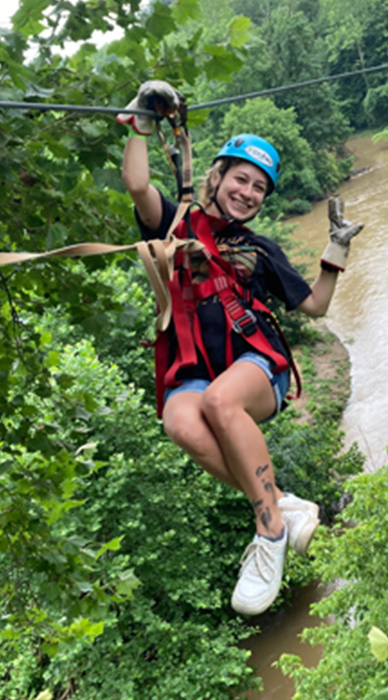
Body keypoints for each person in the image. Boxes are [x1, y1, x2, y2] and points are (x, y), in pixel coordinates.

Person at [117, 80, 363, 616]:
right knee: (179, 420)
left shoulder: (260, 250)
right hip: (192, 369)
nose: (248, 192)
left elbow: (314, 306)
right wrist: (142, 114)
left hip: (258, 369)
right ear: (219, 176)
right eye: (241, 179)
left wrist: (336, 248)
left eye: (259, 187)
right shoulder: (178, 223)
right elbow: (137, 182)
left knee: (220, 402)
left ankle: (270, 533)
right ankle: (280, 505)